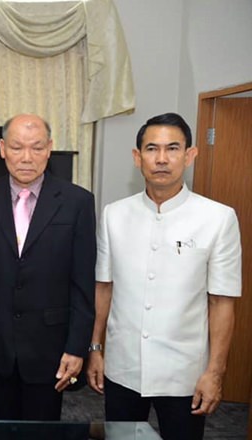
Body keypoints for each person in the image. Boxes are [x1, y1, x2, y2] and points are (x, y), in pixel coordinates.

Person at [86, 112, 241, 440]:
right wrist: (95, 348)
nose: (161, 159)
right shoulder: (114, 215)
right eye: (152, 149)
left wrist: (216, 371)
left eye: (172, 148)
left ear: (190, 155)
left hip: (184, 373)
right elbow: (104, 287)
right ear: (136, 157)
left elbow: (221, 301)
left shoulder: (217, 218)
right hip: (123, 367)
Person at [0, 114, 96, 420]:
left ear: (49, 149)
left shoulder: (77, 202)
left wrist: (77, 347)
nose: (27, 158)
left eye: (36, 147)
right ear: (3, 149)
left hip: (51, 348)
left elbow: (83, 284)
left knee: (43, 432)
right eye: (18, 148)